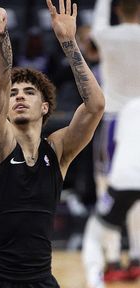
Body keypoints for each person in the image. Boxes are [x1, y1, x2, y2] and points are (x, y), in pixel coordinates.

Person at [0, 0, 105, 287]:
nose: (18, 96)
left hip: (41, 280)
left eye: (29, 92)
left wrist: (69, 42)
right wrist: (1, 32)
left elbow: (95, 107)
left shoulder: (57, 150)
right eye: (14, 93)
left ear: (44, 107)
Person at [82, 0, 140, 287]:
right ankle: (139, 257)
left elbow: (98, 19)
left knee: (108, 188)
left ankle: (115, 258)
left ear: (119, 10)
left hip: (115, 120)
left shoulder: (106, 34)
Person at [82, 98, 140, 288]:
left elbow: (109, 148)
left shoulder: (124, 106)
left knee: (94, 234)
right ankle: (134, 259)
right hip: (125, 177)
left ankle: (101, 276)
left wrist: (105, 177)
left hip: (121, 182)